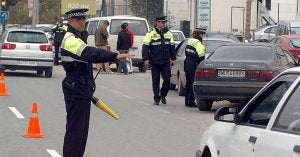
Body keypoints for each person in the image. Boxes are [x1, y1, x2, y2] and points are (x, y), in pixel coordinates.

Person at [60, 8, 134, 157]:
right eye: (79, 20)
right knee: (75, 134)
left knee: (81, 134)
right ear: (71, 22)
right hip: (76, 89)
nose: (83, 22)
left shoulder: (78, 37)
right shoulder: (70, 39)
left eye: (83, 19)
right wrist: (114, 56)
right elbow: (90, 53)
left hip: (81, 89)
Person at [142, 16, 176, 105]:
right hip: (155, 61)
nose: (163, 24)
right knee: (155, 80)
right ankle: (156, 98)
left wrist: (173, 58)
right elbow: (145, 47)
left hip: (165, 61)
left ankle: (163, 94)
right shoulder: (150, 33)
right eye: (162, 22)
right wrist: (145, 58)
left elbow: (172, 47)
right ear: (157, 23)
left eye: (164, 22)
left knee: (167, 79)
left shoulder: (169, 33)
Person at [184, 28, 206, 107]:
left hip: (187, 63)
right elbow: (201, 56)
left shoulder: (190, 40)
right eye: (203, 35)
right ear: (200, 34)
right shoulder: (199, 44)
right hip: (193, 64)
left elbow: (187, 52)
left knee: (188, 83)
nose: (204, 37)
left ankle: (187, 102)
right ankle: (191, 102)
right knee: (192, 83)